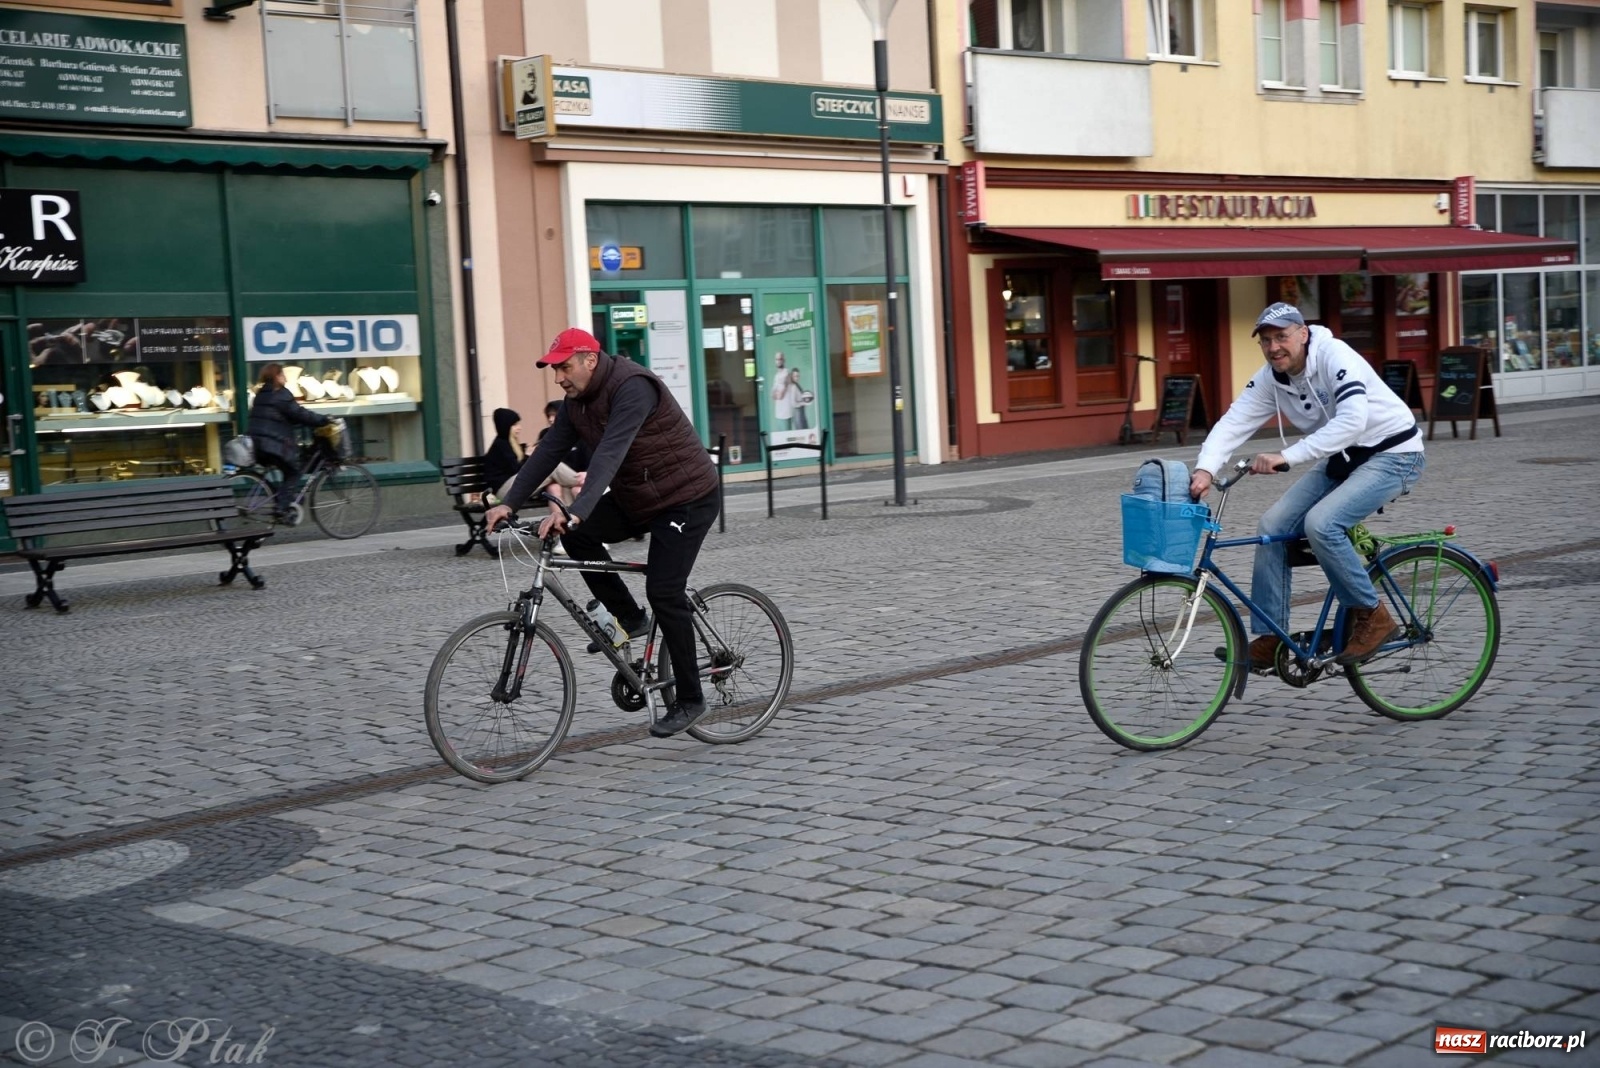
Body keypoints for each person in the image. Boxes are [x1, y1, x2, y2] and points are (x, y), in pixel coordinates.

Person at [485, 328, 721, 738]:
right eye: (554, 368)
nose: (558, 376)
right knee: (578, 538)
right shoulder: (577, 403)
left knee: (665, 590)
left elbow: (610, 453)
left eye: (564, 366)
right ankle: (631, 618)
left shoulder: (632, 388)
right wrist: (510, 502)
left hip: (686, 497)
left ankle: (690, 698)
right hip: (639, 497)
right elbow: (546, 454)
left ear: (589, 359)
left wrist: (575, 511)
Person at [1189, 302, 1425, 671]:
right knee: (1272, 526)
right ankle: (1272, 638)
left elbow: (1352, 420)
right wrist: (1204, 470)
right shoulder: (1272, 377)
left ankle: (1373, 616)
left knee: (1322, 524)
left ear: (1303, 333)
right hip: (1342, 459)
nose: (1273, 347)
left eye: (1281, 336)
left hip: (1393, 453)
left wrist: (1288, 455)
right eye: (1266, 340)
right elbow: (1234, 422)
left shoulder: (1333, 355)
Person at [248, 361, 333, 521]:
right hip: (272, 444)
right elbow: (300, 413)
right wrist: (323, 420)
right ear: (276, 377)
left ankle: (283, 500)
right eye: (282, 375)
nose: (285, 378)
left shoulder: (261, 394)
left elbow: (280, 416)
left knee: (284, 468)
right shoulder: (281, 394)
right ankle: (281, 508)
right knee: (294, 470)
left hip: (257, 443)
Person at [482, 407, 527, 498]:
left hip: (515, 484)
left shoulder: (510, 444)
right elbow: (517, 469)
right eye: (514, 425)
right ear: (505, 426)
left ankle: (562, 511)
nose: (519, 428)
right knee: (552, 468)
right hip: (504, 489)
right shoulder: (501, 446)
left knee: (554, 487)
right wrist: (528, 455)